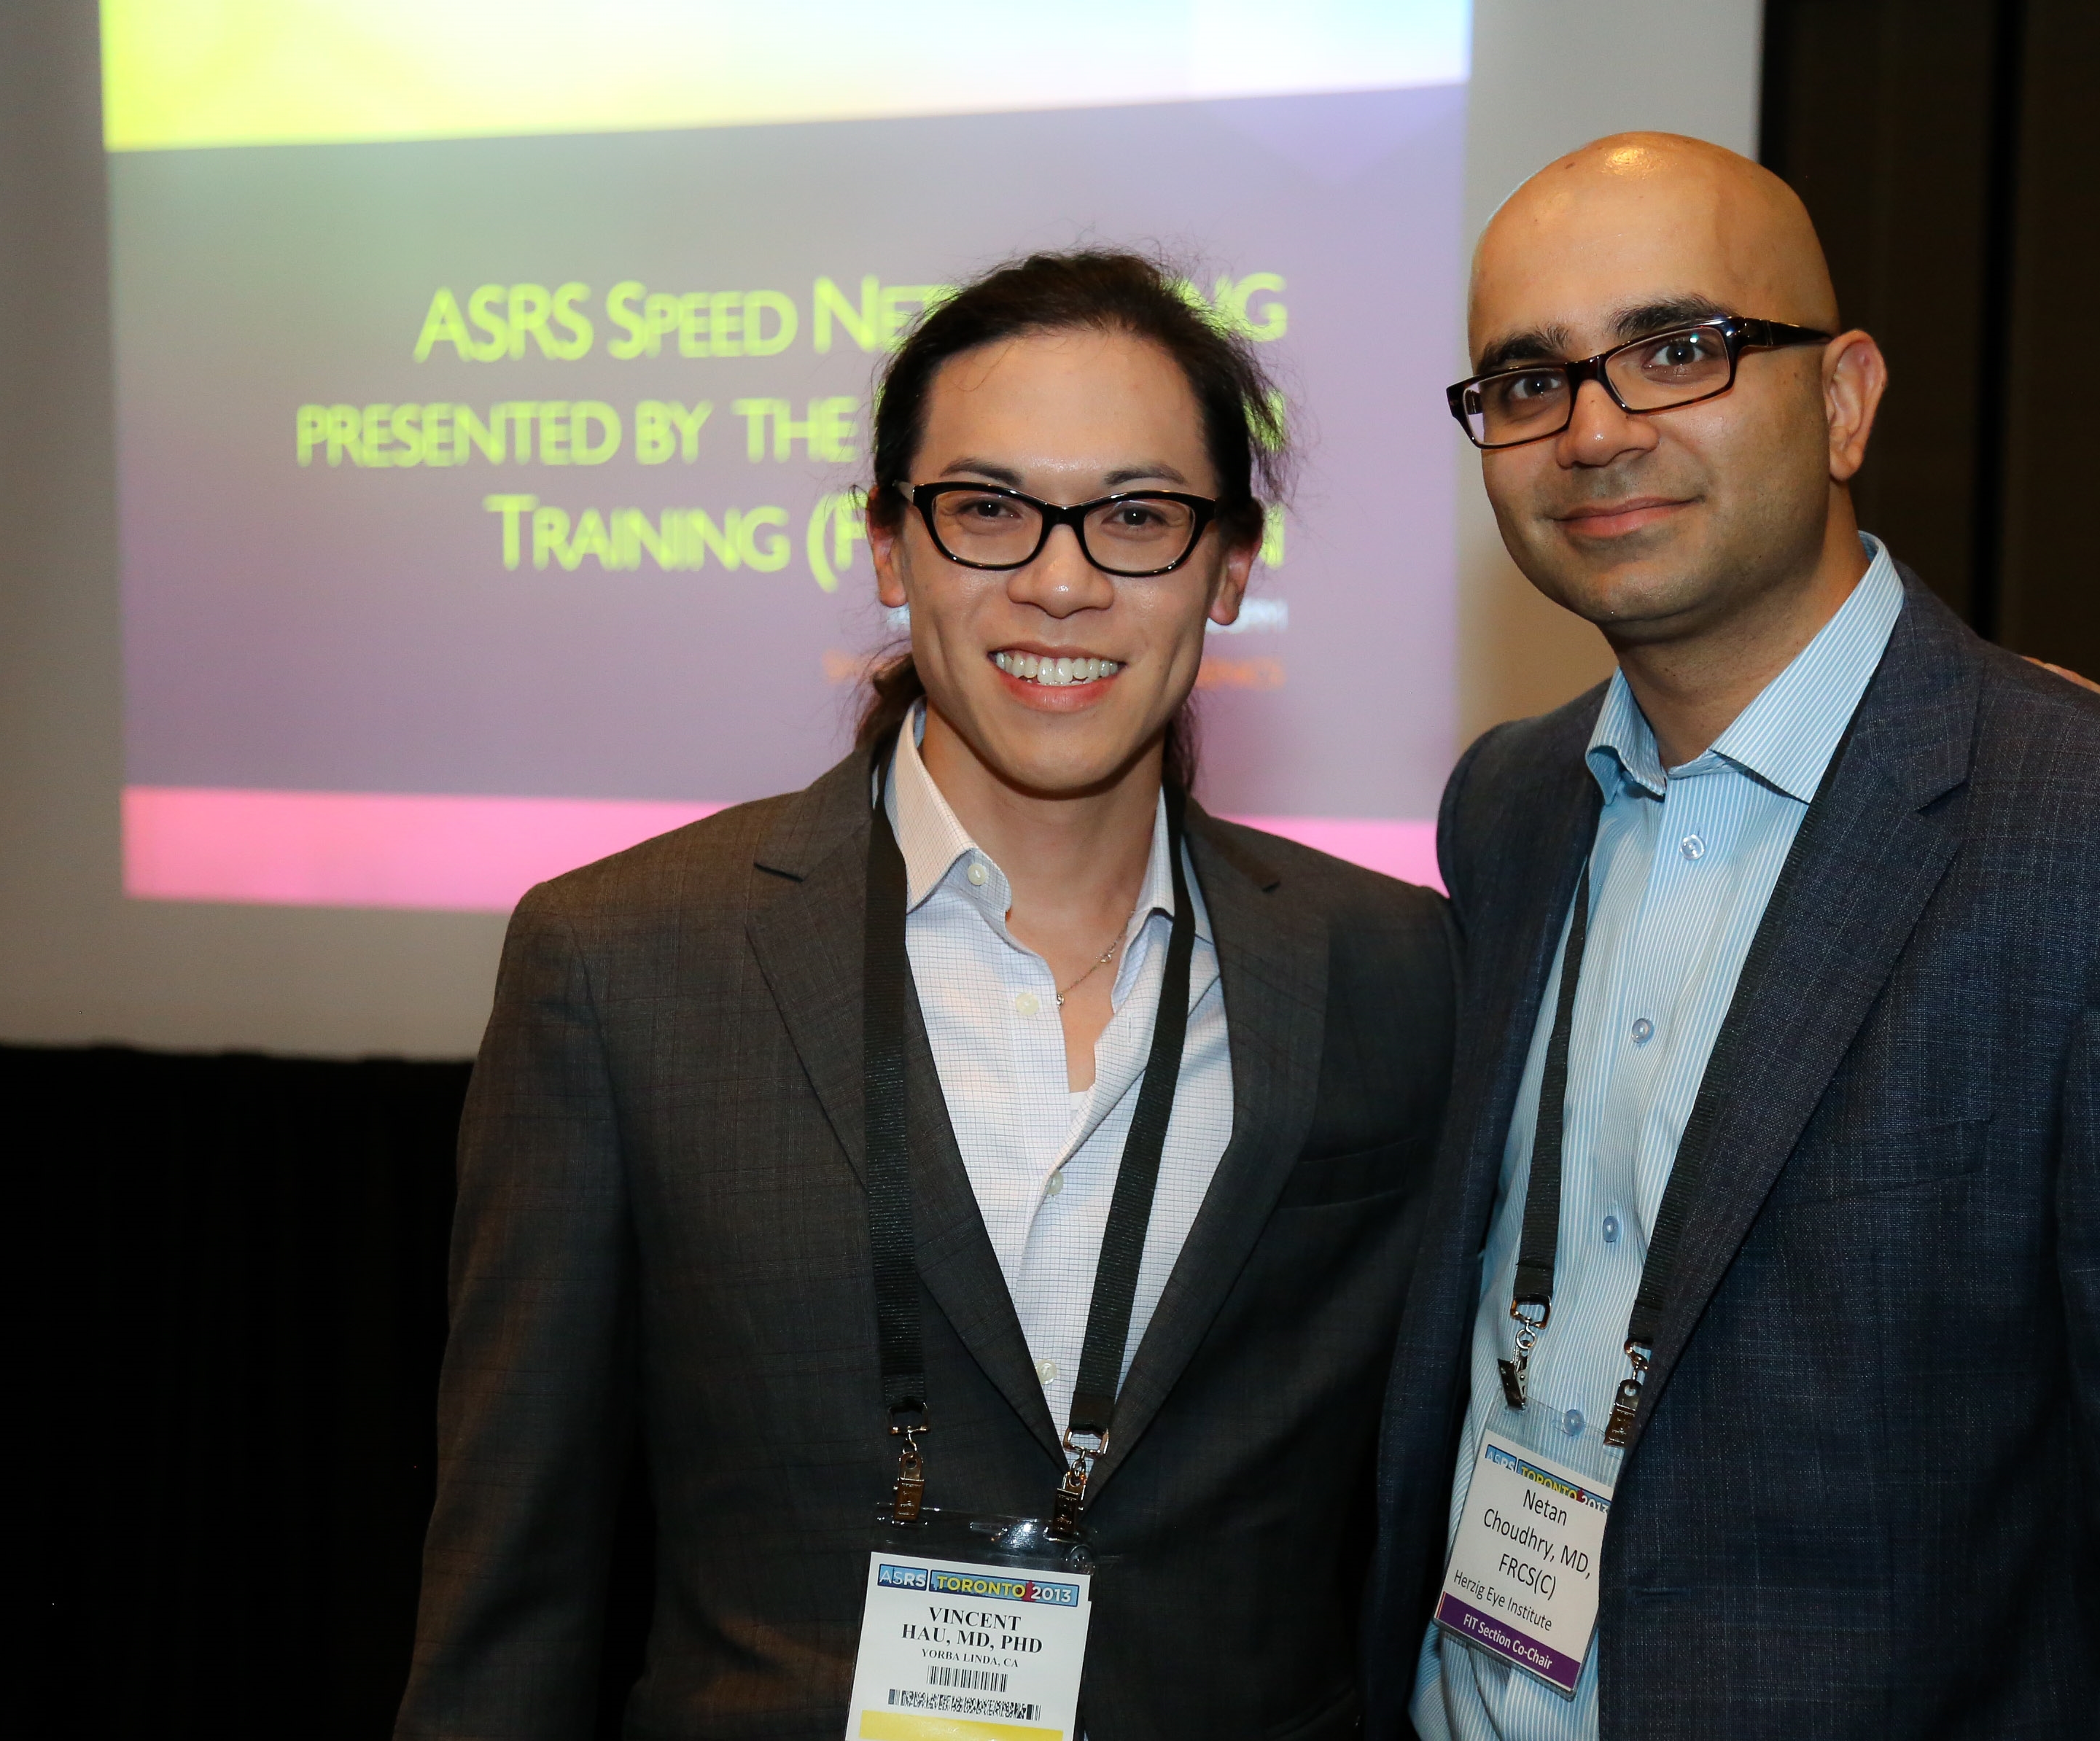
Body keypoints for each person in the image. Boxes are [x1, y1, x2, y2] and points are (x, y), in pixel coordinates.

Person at [1364, 134, 2100, 1737]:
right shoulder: (1505, 806)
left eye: (1679, 349)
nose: (1597, 431)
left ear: (1843, 401)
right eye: (1530, 381)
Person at [396, 249, 1454, 1740]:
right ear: (891, 546)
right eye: (989, 509)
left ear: (1230, 565)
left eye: (1137, 516)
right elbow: (514, 1584)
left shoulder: (1399, 968)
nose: (1062, 581)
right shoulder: (621, 963)